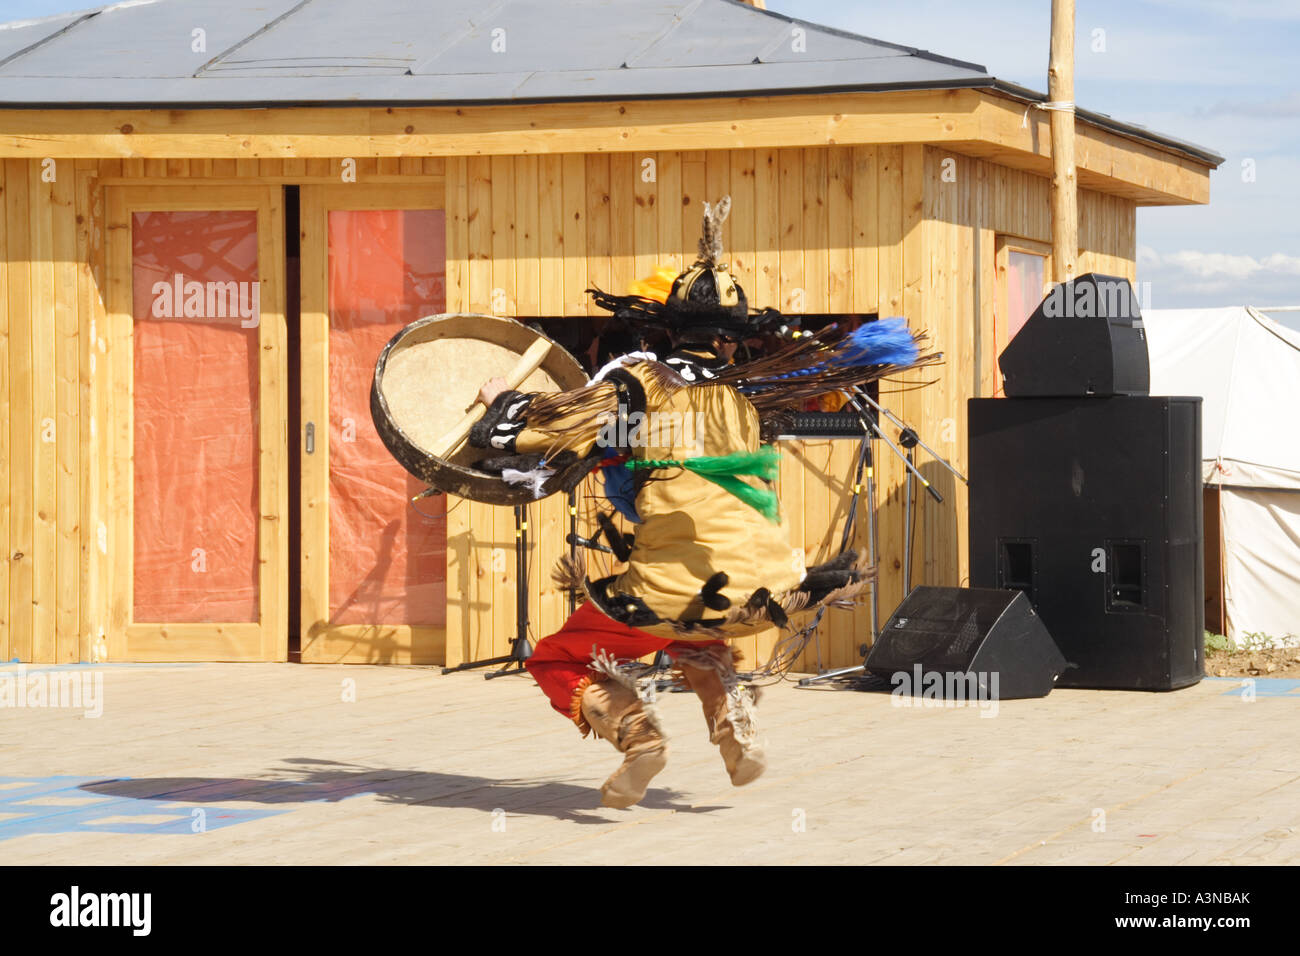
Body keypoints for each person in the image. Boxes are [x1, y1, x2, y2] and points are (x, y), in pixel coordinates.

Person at [467, 197, 921, 808]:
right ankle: (733, 729)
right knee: (697, 636)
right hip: (768, 591)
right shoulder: (745, 399)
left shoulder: (639, 384)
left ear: (665, 326)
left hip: (669, 587)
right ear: (734, 344)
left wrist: (502, 402)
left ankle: (638, 735)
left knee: (557, 657)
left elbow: (523, 437)